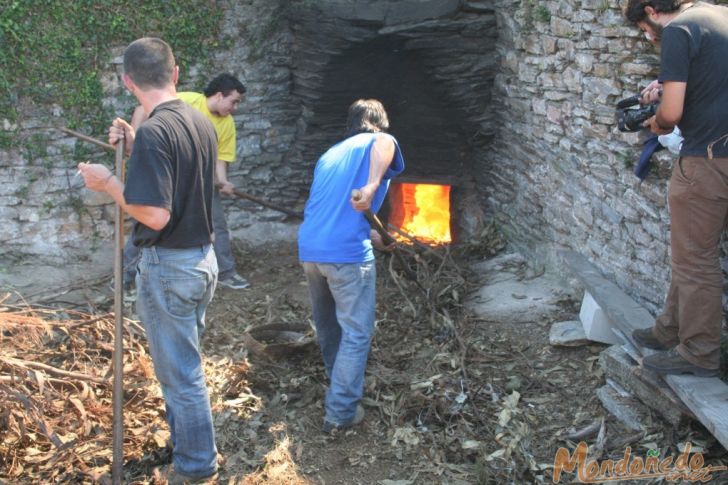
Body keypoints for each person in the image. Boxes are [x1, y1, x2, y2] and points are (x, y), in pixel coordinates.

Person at [78, 38, 220, 483]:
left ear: (128, 82)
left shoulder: (158, 131)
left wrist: (108, 185)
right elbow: (172, 170)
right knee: (184, 365)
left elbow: (155, 214)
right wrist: (137, 142)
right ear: (175, 73)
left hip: (171, 265)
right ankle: (187, 445)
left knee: (181, 374)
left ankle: (197, 466)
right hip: (201, 260)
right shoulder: (196, 121)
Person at [624, 0, 728, 377]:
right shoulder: (719, 16)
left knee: (695, 258)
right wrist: (665, 85)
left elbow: (672, 114)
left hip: (709, 158)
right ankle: (668, 329)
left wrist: (657, 122)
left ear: (651, 11)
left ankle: (699, 352)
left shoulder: (679, 31)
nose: (648, 37)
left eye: (644, 29)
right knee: (690, 250)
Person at [298, 99, 405, 431]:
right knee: (357, 332)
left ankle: (338, 380)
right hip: (346, 255)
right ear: (376, 123)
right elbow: (385, 142)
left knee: (329, 324)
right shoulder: (378, 140)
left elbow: (339, 213)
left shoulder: (329, 155)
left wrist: (376, 236)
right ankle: (341, 412)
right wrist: (373, 186)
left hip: (312, 250)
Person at [123, 73, 250, 292]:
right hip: (168, 174)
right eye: (233, 101)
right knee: (148, 222)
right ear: (220, 96)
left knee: (217, 224)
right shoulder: (186, 100)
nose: (235, 107)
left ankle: (226, 272)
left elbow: (220, 159)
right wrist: (134, 139)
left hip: (202, 180)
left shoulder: (227, 124)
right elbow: (142, 110)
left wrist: (223, 181)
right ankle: (125, 274)